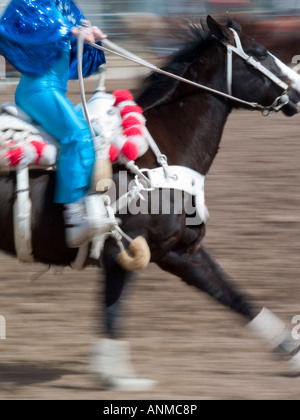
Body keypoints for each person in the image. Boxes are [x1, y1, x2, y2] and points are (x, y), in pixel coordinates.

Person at [0, 0, 112, 248]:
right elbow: (31, 24)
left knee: (94, 133)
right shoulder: (31, 4)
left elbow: (66, 36)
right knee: (77, 134)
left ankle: (91, 204)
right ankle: (74, 218)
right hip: (38, 90)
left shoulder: (62, 7)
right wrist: (71, 31)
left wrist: (89, 37)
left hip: (54, 92)